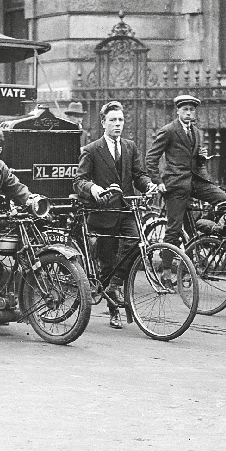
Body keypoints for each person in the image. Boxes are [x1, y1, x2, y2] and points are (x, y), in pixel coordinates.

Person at [74, 101, 158, 329]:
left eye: (120, 120)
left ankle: (115, 285)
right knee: (108, 262)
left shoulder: (130, 147)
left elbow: (139, 175)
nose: (118, 124)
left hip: (126, 209)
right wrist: (93, 188)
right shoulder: (92, 150)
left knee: (135, 243)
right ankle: (114, 312)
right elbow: (79, 180)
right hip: (103, 212)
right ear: (103, 123)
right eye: (113, 120)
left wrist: (149, 185)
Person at [146, 94, 226, 280]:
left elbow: (197, 163)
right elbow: (151, 158)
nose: (189, 113)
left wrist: (201, 157)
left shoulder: (197, 132)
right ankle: (166, 271)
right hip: (175, 186)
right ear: (178, 111)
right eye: (185, 110)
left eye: (192, 110)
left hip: (195, 181)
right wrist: (158, 182)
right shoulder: (169, 130)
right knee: (174, 229)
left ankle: (213, 234)